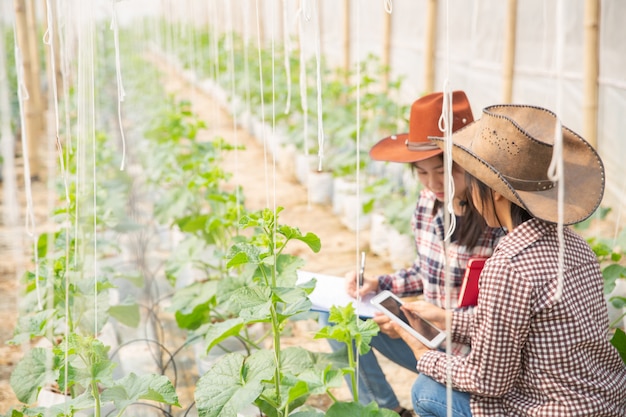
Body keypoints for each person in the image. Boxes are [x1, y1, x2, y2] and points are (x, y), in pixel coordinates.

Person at [396, 104, 626, 416]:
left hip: (551, 410)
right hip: (605, 403)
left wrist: (422, 352)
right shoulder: (574, 244)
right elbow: (528, 325)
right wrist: (446, 319)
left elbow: (489, 381)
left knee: (426, 389)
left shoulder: (509, 264)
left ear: (498, 192)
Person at [320, 91, 503, 416]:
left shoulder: (496, 217)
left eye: (445, 170)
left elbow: (496, 316)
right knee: (335, 317)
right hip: (429, 331)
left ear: (469, 162)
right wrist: (379, 284)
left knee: (426, 390)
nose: (434, 182)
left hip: (470, 353)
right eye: (422, 172)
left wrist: (416, 328)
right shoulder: (426, 203)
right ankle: (386, 410)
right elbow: (425, 271)